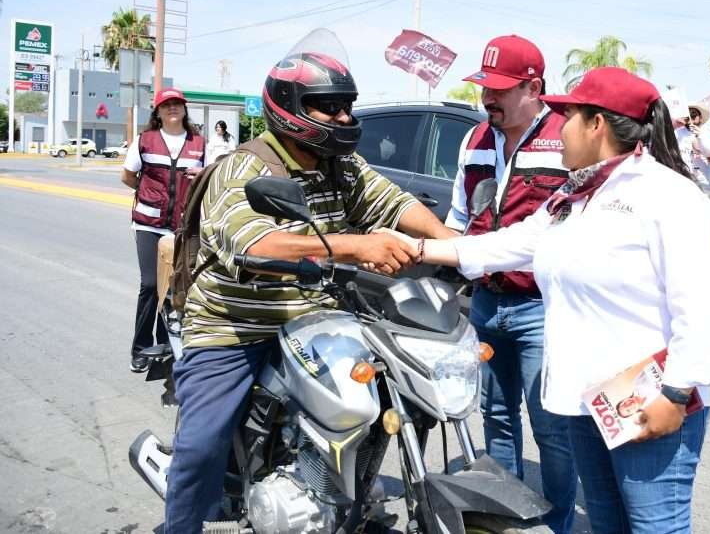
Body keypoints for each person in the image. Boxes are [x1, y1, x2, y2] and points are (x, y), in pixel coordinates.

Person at [393, 67, 710, 534]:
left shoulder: (666, 196)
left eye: (568, 117)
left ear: (597, 125)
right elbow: (509, 244)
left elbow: (702, 305)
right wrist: (418, 248)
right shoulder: (576, 195)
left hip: (649, 396)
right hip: (593, 399)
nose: (559, 129)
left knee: (655, 527)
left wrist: (677, 392)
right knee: (607, 523)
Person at [163, 30, 455, 533]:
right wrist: (356, 246)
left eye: (347, 107)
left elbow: (395, 204)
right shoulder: (244, 168)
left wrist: (455, 245)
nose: (344, 118)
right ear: (289, 107)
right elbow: (256, 245)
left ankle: (342, 498)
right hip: (235, 327)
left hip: (318, 319)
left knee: (388, 396)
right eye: (329, 107)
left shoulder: (341, 166)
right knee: (201, 444)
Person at [445, 34, 577, 534]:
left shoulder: (566, 139)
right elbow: (460, 217)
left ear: (533, 88)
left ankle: (557, 524)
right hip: (485, 303)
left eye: (500, 89)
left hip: (543, 306)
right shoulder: (474, 139)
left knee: (552, 427)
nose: (488, 98)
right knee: (495, 416)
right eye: (485, 87)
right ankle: (508, 520)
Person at [121, 88, 206, 374]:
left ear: (184, 109)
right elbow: (127, 176)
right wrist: (150, 195)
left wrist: (201, 176)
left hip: (182, 227)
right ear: (157, 111)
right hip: (148, 224)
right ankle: (141, 348)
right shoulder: (145, 140)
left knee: (172, 288)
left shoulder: (199, 143)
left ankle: (167, 345)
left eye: (177, 104)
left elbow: (209, 178)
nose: (172, 108)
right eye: (166, 104)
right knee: (150, 285)